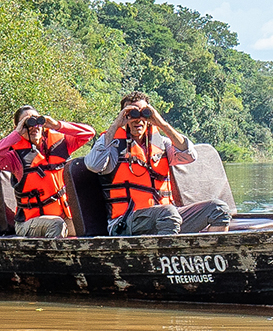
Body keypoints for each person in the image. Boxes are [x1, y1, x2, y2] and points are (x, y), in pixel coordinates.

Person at [85, 93, 230, 236]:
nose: (138, 120)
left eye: (143, 114)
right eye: (131, 114)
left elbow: (190, 156)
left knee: (218, 209)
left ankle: (208, 255)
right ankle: (166, 258)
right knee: (168, 214)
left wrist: (161, 123)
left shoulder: (162, 144)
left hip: (167, 217)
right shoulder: (114, 147)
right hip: (126, 223)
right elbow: (93, 165)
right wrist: (116, 125)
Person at [0, 105, 95, 239]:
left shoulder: (60, 144)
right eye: (28, 122)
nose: (34, 126)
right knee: (56, 225)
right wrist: (16, 133)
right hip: (29, 223)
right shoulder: (14, 157)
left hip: (63, 216)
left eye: (37, 121)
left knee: (91, 223)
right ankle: (51, 260)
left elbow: (89, 133)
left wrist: (57, 125)